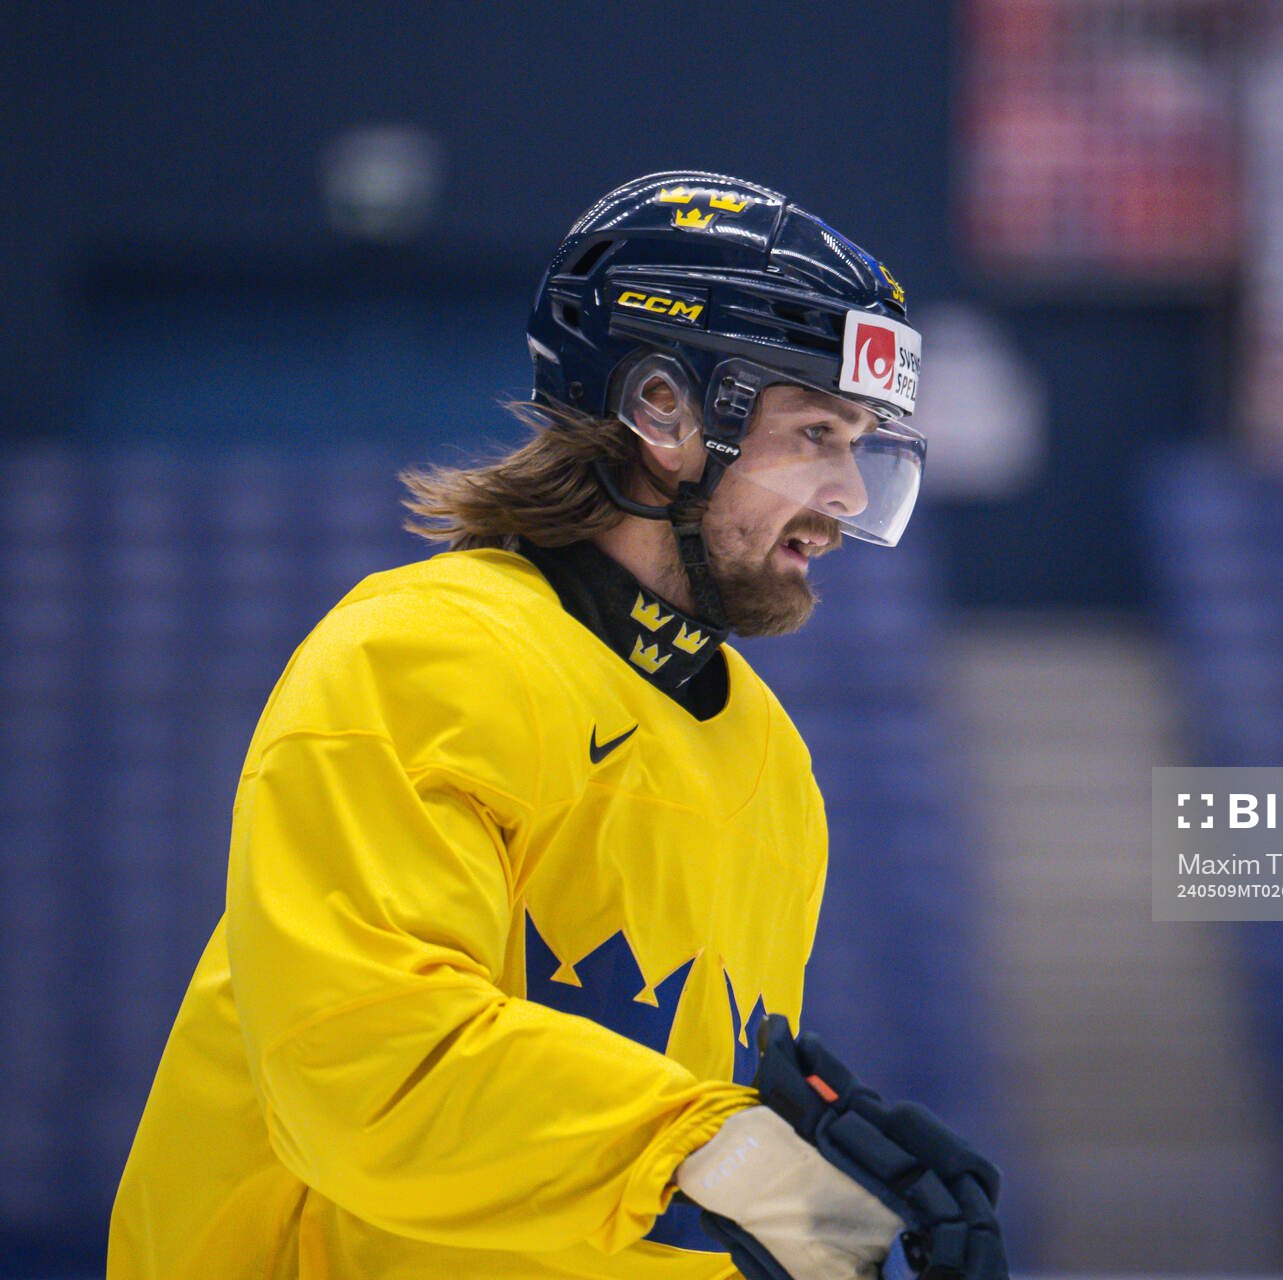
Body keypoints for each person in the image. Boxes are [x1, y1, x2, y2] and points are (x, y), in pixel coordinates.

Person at [108, 170, 1003, 1280]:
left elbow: (633, 1188)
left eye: (862, 441)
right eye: (817, 430)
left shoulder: (767, 757)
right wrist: (729, 1160)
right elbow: (373, 1073)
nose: (851, 492)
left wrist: (838, 1226)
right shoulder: (422, 657)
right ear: (664, 408)